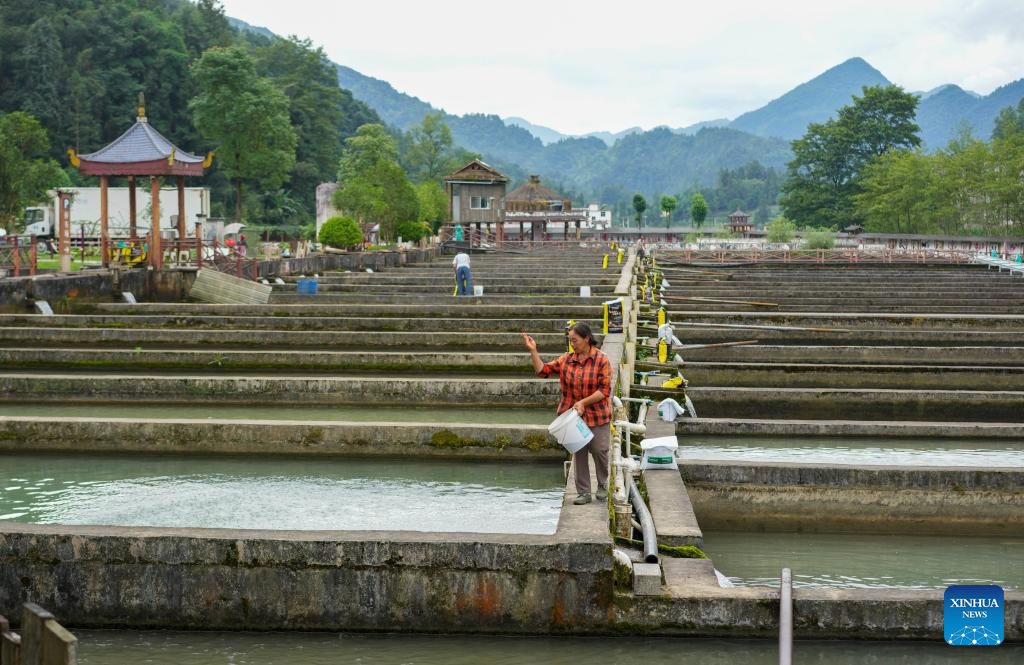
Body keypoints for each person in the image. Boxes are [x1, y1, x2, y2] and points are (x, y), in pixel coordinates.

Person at [522, 322, 611, 505]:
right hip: (572, 417)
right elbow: (542, 371)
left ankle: (602, 484)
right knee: (579, 453)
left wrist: (583, 402)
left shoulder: (602, 360)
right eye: (570, 340)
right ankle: (584, 492)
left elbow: (604, 390)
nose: (572, 344)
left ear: (586, 339)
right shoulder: (566, 359)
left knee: (600, 451)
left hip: (597, 415)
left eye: (575, 340)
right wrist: (533, 350)